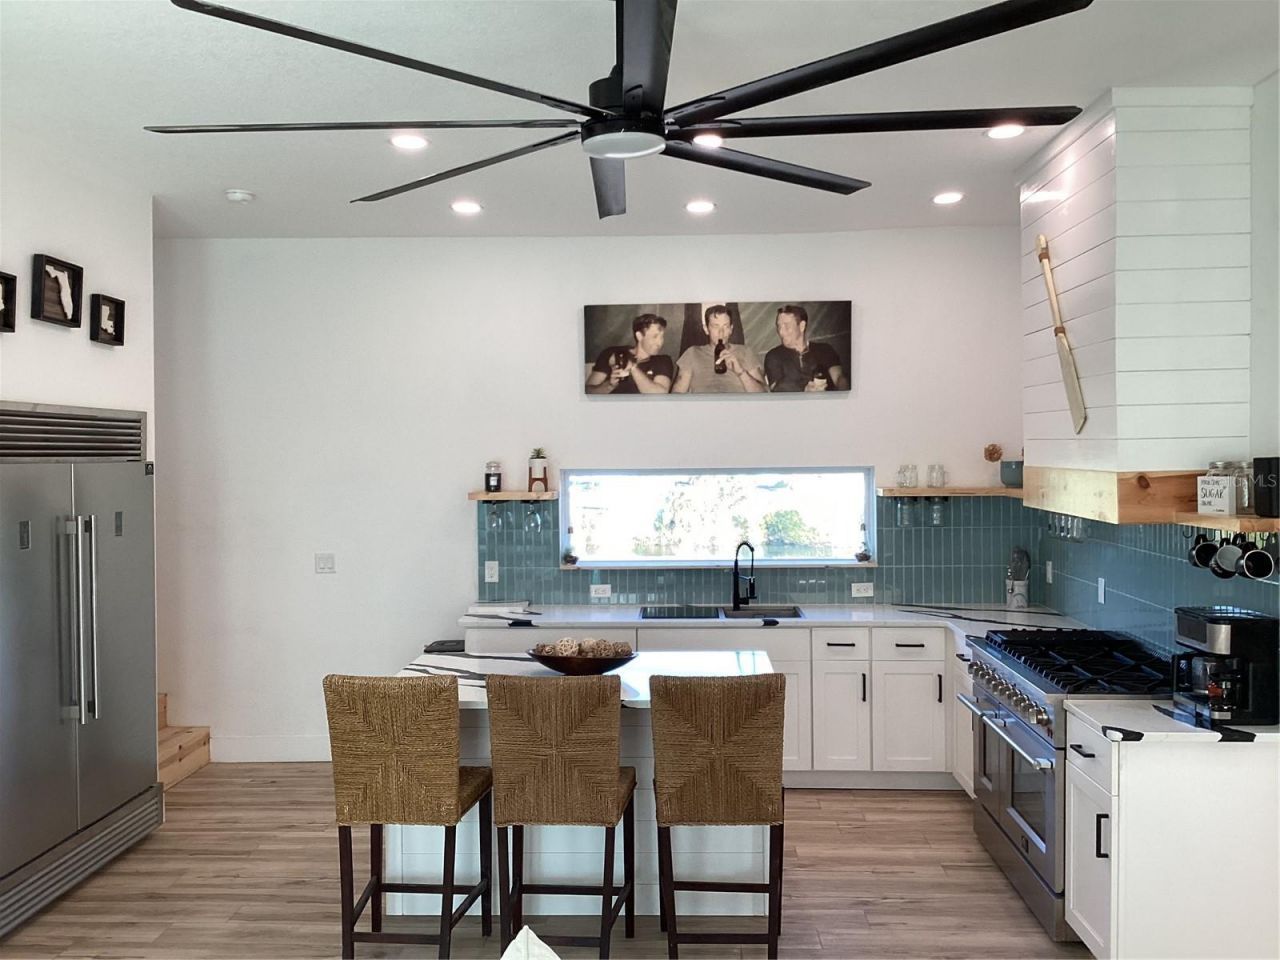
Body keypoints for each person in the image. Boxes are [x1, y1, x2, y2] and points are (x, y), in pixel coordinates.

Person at [671, 305, 766, 394]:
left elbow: (763, 394)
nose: (721, 332)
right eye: (715, 326)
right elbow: (677, 394)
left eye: (726, 326)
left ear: (731, 329)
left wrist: (740, 372)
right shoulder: (692, 353)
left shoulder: (745, 351)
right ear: (706, 329)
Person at [763, 304, 849, 392]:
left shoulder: (825, 349)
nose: (781, 331)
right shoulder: (774, 356)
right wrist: (804, 390)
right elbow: (775, 387)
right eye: (779, 326)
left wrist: (843, 392)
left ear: (802, 326)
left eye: (787, 326)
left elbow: (839, 377)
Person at [585, 313, 674, 394]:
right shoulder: (613, 353)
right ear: (639, 336)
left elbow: (660, 394)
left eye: (662, 337)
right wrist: (609, 386)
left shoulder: (663, 361)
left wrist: (632, 367)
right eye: (655, 337)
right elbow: (588, 391)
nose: (660, 342)